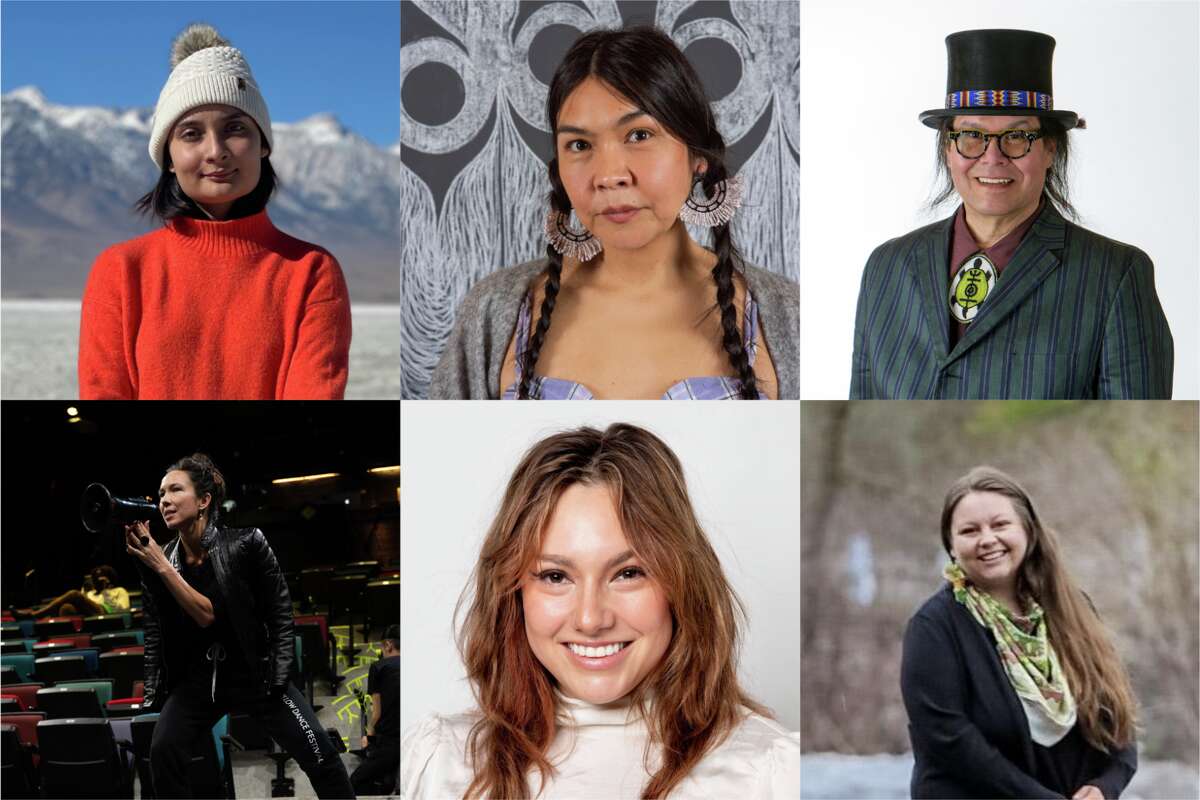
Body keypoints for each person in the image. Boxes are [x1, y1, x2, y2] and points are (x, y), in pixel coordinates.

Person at [401, 423, 799, 798]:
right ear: (513, 593)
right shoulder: (443, 763)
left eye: (628, 573)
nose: (591, 619)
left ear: (682, 584)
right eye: (556, 576)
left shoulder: (768, 772)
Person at [429, 26, 798, 399]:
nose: (608, 176)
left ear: (697, 156)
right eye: (579, 144)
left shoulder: (789, 315)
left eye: (639, 135)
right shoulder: (493, 313)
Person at [850, 29, 1172, 399]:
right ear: (947, 148)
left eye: (1017, 137)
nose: (992, 157)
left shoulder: (1115, 275)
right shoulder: (886, 267)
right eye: (971, 135)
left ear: (1050, 148)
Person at [78, 23, 352, 400]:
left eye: (235, 128)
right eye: (191, 133)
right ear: (168, 158)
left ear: (263, 145)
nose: (215, 151)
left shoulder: (311, 271)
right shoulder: (122, 271)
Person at [125, 452, 355, 798]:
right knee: (162, 752)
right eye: (160, 494)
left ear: (203, 500)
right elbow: (157, 628)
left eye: (175, 490)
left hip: (255, 674)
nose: (164, 501)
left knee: (321, 754)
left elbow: (279, 612)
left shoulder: (246, 543)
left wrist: (278, 676)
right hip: (198, 680)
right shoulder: (160, 558)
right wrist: (156, 687)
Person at [901, 466, 1138, 799]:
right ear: (952, 546)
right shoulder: (934, 627)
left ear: (1028, 531)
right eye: (970, 530)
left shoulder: (1072, 608)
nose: (987, 539)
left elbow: (1116, 714)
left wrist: (1105, 786)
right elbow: (949, 740)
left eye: (1000, 524)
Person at [350, 624, 399, 795]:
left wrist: (368, 736)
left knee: (354, 781)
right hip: (412, 739)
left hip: (389, 742)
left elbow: (376, 712)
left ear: (388, 645)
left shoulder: (379, 667)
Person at [14, 565, 130, 619]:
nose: (98, 581)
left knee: (74, 594)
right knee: (66, 607)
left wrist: (106, 590)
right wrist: (85, 590)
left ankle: (35, 615)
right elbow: (81, 605)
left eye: (101, 578)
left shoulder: (119, 591)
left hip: (107, 614)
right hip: (88, 617)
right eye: (96, 579)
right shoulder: (90, 593)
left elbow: (124, 609)